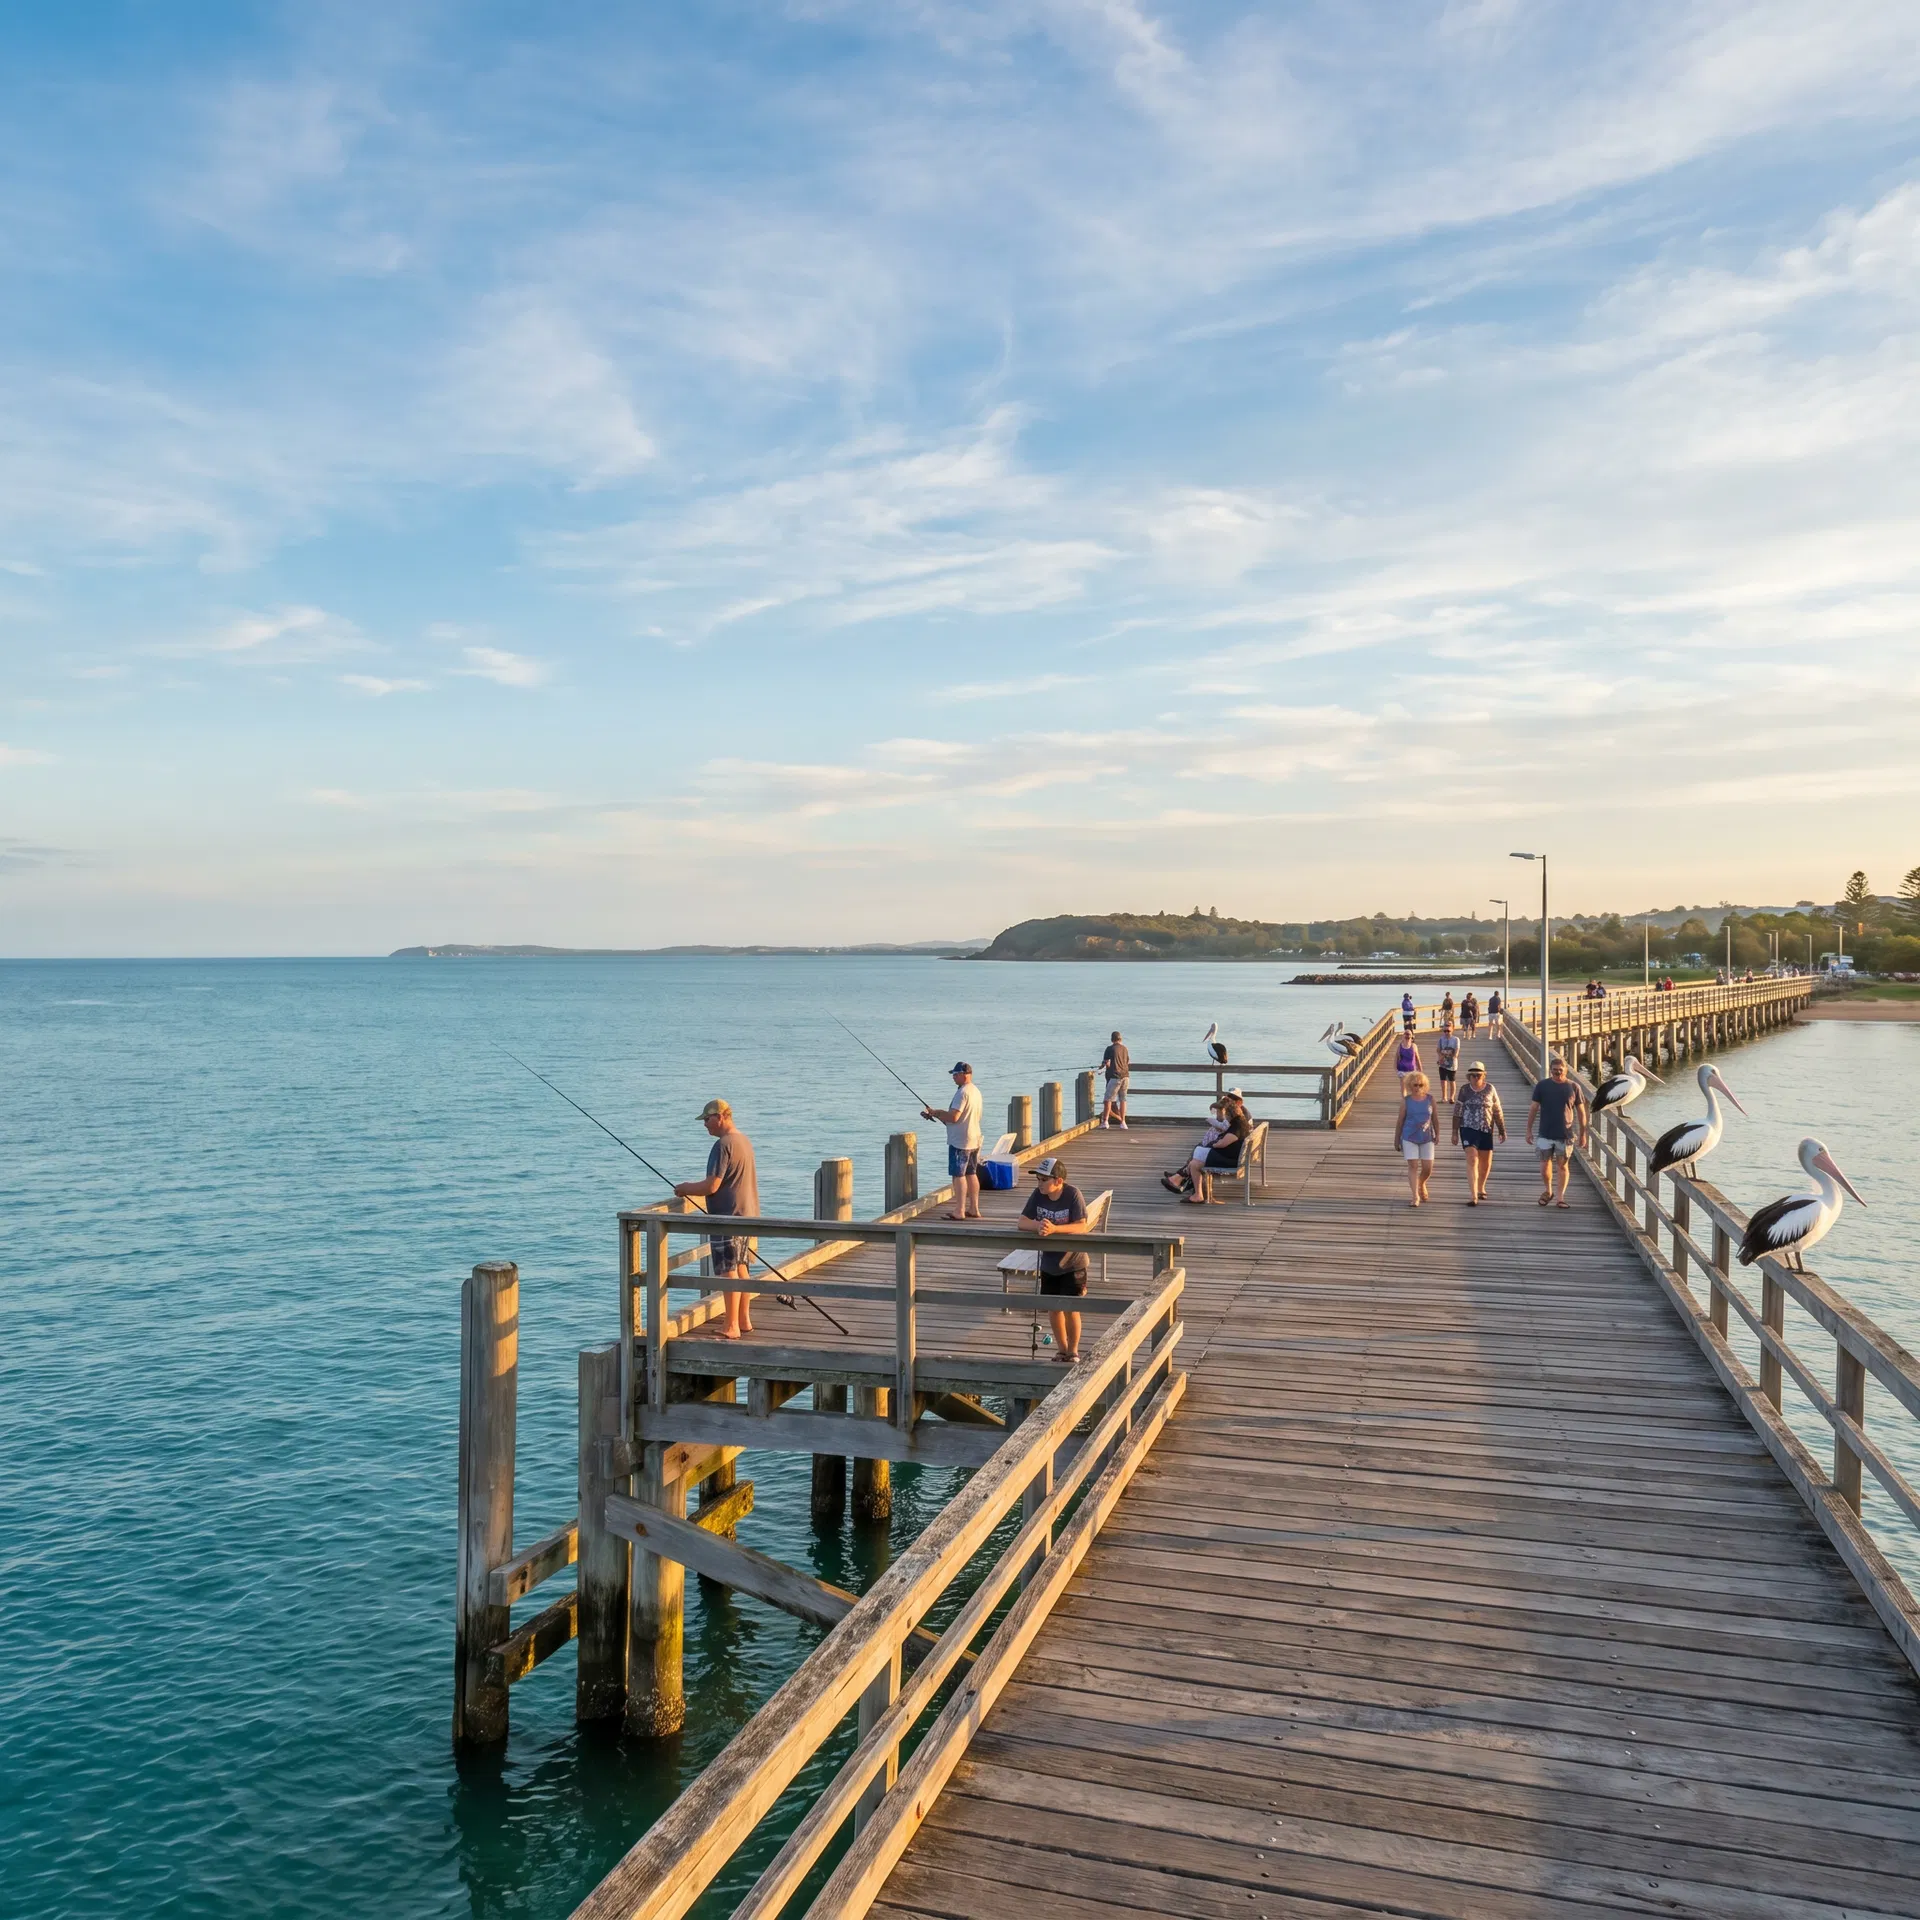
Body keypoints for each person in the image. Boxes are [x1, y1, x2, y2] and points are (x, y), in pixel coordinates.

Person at [674, 1098, 761, 1339]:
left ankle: (731, 1326)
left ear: (721, 1116)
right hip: (747, 1215)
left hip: (727, 1217)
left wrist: (685, 1188)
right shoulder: (743, 1141)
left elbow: (712, 1185)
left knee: (728, 1271)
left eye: (707, 1119)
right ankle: (743, 1321)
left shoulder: (723, 1145)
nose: (705, 1125)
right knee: (741, 1268)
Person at [1021, 1155, 1091, 1362]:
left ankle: (1073, 1351)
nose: (1040, 1184)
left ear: (1058, 1180)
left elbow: (1081, 1225)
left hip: (1073, 1262)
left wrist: (1055, 1229)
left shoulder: (1072, 1194)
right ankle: (1061, 1349)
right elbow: (1022, 1221)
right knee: (1053, 1308)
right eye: (1038, 1179)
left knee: (1071, 1308)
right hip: (1049, 1262)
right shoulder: (1037, 1195)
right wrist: (1039, 1225)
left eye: (1044, 1180)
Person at [922, 1061, 984, 1221]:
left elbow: (954, 1117)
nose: (953, 1078)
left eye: (956, 1075)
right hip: (974, 1138)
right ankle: (974, 1208)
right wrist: (937, 1115)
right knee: (971, 1173)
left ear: (965, 1074)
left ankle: (959, 1210)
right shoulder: (976, 1091)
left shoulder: (962, 1093)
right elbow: (962, 1118)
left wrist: (937, 1112)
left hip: (960, 1141)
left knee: (959, 1176)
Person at [1527, 1054, 1589, 1209]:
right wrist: (1528, 1129)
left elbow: (1581, 1111)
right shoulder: (1542, 1086)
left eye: (1560, 1070)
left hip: (1565, 1134)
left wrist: (1583, 1133)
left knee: (1562, 1165)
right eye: (1555, 1071)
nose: (1558, 1073)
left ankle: (1560, 1197)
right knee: (1544, 1165)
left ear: (1566, 1071)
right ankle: (1548, 1191)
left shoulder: (1574, 1087)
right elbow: (1534, 1108)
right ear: (1550, 1071)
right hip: (1545, 1133)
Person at [1452, 1060, 1506, 1204]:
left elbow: (1497, 1110)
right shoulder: (1464, 1090)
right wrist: (1454, 1132)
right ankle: (1473, 1194)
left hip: (1486, 1128)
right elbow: (1458, 1110)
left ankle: (1481, 1187)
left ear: (1484, 1076)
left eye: (1479, 1075)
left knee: (1486, 1161)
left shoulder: (1490, 1089)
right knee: (1472, 1158)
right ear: (1469, 1077)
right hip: (1468, 1127)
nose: (1476, 1078)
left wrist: (1502, 1129)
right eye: (1473, 1075)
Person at [1394, 1070, 1438, 1207]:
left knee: (1427, 1167)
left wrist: (1438, 1133)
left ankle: (1421, 1182)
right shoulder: (1406, 1101)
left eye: (1420, 1085)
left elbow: (1435, 1118)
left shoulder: (1430, 1099)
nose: (1418, 1087)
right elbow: (1400, 1121)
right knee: (1413, 1165)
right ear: (1409, 1086)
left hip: (1427, 1136)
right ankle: (1415, 1196)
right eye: (1415, 1085)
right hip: (1409, 1136)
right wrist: (1396, 1139)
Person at [1099, 1030, 1130, 1129]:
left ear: (1112, 1039)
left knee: (1107, 1100)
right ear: (1120, 1039)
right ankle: (1123, 1123)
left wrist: (1102, 1067)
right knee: (1123, 1099)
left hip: (1115, 1077)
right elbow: (1127, 1062)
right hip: (1126, 1076)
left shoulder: (1109, 1049)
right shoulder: (1125, 1049)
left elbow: (1105, 1063)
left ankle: (1105, 1121)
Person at [1433, 1020, 1460, 1102]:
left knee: (1452, 1080)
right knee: (1443, 1080)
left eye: (1448, 1031)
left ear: (1452, 1029)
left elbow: (1457, 1050)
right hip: (1442, 1063)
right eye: (1445, 1031)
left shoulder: (1456, 1039)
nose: (1446, 1033)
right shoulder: (1441, 1039)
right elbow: (1438, 1049)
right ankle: (1444, 1097)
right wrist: (1441, 1057)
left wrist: (1454, 1055)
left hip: (1452, 1063)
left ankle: (1451, 1097)